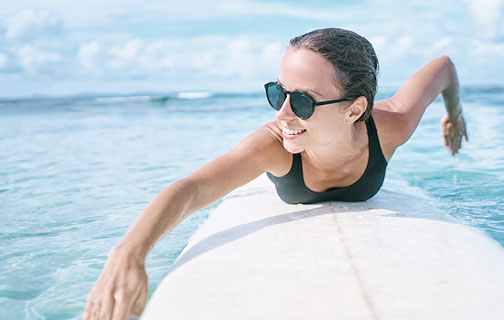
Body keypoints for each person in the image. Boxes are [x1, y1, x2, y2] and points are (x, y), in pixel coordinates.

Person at [82, 27, 467, 320]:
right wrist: (128, 253)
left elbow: (444, 67)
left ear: (354, 110)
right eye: (277, 92)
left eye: (301, 100)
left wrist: (455, 113)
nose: (281, 114)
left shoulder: (393, 125)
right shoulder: (273, 146)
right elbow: (192, 188)